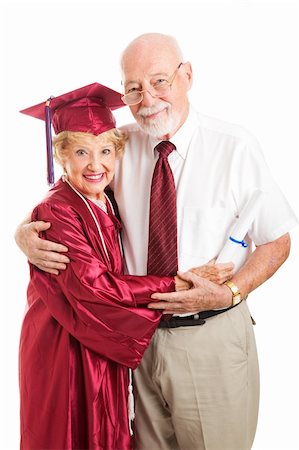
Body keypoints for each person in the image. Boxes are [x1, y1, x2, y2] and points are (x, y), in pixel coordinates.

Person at [15, 34, 298, 450]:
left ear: (187, 76)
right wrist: (23, 230)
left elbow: (277, 241)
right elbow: (72, 192)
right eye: (133, 87)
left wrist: (229, 291)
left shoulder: (233, 146)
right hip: (137, 342)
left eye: (160, 81)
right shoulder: (120, 144)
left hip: (210, 337)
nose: (148, 99)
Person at [18, 82, 199, 450]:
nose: (95, 164)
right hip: (64, 343)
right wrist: (172, 285)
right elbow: (95, 288)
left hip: (95, 334)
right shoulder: (56, 210)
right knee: (71, 430)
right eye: (81, 152)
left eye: (105, 151)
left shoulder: (106, 199)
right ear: (61, 157)